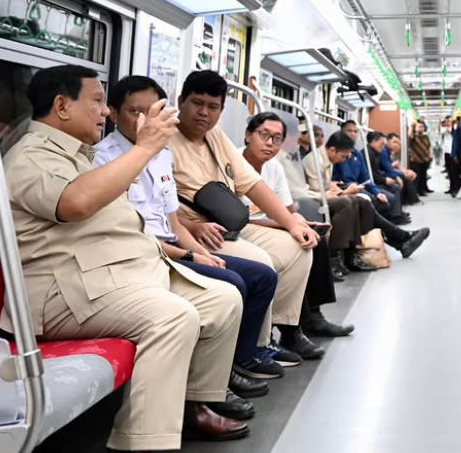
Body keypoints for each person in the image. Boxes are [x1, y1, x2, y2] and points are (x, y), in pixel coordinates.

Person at [2, 65, 248, 450]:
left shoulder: (79, 155)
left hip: (114, 277)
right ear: (62, 106)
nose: (105, 112)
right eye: (98, 101)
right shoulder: (32, 156)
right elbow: (75, 203)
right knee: (173, 317)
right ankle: (144, 442)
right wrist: (145, 147)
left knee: (224, 299)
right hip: (66, 289)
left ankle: (191, 408)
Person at [94, 75, 277, 415]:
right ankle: (206, 392)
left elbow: (173, 224)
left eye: (152, 112)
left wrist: (203, 254)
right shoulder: (105, 161)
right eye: (135, 111)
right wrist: (191, 255)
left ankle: (235, 364)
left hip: (173, 247)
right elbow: (133, 236)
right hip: (147, 255)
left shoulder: (161, 155)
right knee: (232, 283)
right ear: (114, 114)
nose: (144, 121)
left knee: (261, 276)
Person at [167, 71, 323, 361]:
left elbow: (252, 184)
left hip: (231, 223)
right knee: (262, 262)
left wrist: (292, 223)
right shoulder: (165, 140)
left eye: (213, 107)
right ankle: (256, 346)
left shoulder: (216, 137)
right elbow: (156, 205)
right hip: (198, 230)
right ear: (181, 102)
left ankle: (282, 330)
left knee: (299, 247)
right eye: (197, 103)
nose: (204, 112)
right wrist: (190, 226)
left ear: (221, 110)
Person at [242, 112, 354, 338]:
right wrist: (286, 224)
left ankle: (314, 317)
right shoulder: (233, 162)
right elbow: (241, 216)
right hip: (244, 227)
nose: (270, 143)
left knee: (314, 238)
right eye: (264, 135)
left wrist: (300, 221)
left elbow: (289, 209)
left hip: (271, 223)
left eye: (277, 139)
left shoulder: (274, 167)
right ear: (248, 135)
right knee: (299, 245)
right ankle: (291, 331)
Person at [305, 131, 431, 267]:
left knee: (364, 202)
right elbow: (317, 192)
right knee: (350, 202)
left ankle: (398, 242)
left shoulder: (335, 157)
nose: (344, 160)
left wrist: (333, 186)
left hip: (333, 191)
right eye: (343, 156)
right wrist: (345, 191)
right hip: (314, 199)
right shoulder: (315, 161)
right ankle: (340, 256)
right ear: (332, 150)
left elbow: (331, 183)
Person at [333, 120, 408, 225]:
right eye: (349, 131)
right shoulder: (335, 152)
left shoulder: (357, 154)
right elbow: (333, 179)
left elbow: (366, 178)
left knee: (383, 201)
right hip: (344, 187)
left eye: (355, 131)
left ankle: (389, 222)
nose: (353, 134)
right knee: (374, 201)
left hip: (359, 186)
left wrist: (377, 192)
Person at [371, 130, 420, 205]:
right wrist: (403, 175)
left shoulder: (388, 152)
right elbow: (389, 169)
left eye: (398, 144)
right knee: (403, 179)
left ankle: (410, 201)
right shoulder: (383, 151)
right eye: (394, 142)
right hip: (382, 175)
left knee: (406, 177)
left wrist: (405, 172)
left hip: (385, 173)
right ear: (388, 141)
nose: (397, 145)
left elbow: (393, 167)